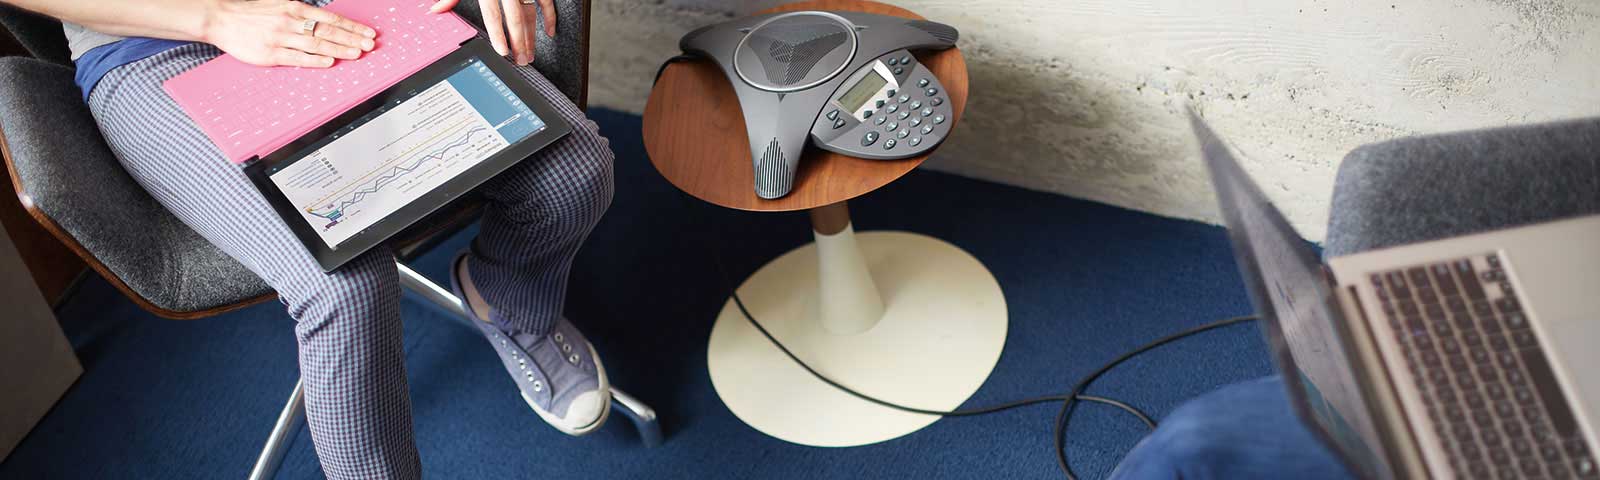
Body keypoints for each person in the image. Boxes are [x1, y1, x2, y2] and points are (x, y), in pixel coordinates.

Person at [2, 0, 613, 477]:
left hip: (328, 9)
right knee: (342, 285)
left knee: (573, 169)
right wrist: (217, 16)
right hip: (153, 45)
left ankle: (509, 300)